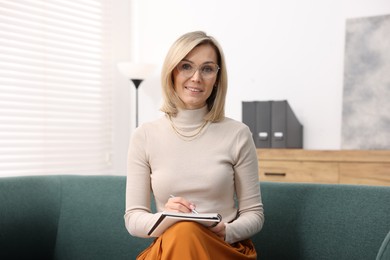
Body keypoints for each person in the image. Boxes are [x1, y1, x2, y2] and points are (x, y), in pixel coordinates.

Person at [124, 31, 264, 259]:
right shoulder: (144, 136)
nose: (196, 77)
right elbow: (133, 218)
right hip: (170, 246)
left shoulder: (238, 134)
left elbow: (254, 213)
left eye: (207, 69)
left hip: (221, 247)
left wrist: (228, 230)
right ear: (172, 72)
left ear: (217, 78)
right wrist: (167, 217)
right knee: (183, 232)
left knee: (186, 233)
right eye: (186, 66)